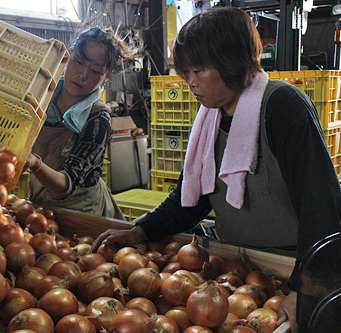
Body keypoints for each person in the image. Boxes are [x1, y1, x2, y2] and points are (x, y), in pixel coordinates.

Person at [90, 7, 341, 333]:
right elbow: (190, 199)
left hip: (292, 269)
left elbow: (321, 207)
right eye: (185, 71)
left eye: (199, 70)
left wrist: (306, 288)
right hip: (239, 269)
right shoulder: (210, 118)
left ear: (233, 63)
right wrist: (141, 230)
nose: (190, 82)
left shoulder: (282, 107)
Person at [23, 27, 137, 219]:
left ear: (106, 77)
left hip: (82, 212)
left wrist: (35, 164)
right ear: (68, 56)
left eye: (94, 71)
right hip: (40, 207)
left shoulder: (98, 120)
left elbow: (65, 185)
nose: (82, 74)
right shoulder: (41, 96)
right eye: (78, 61)